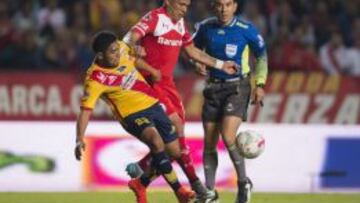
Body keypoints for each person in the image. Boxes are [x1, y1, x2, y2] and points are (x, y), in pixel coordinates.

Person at [122, 0, 238, 201]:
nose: (184, 9)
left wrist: (220, 65)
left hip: (168, 85)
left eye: (187, 6)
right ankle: (197, 186)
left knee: (176, 141)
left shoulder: (180, 23)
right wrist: (133, 47)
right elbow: (130, 36)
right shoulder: (155, 18)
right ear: (168, 2)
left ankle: (141, 179)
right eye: (181, 4)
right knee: (175, 128)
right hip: (149, 83)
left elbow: (192, 51)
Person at [74, 31, 196, 203]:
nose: (118, 54)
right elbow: (85, 111)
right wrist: (79, 138)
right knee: (156, 141)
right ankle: (179, 191)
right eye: (112, 52)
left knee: (174, 152)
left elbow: (134, 59)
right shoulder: (94, 79)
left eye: (117, 49)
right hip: (131, 115)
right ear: (100, 55)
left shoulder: (123, 48)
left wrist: (151, 69)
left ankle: (140, 183)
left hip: (152, 104)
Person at [192, 0, 268, 202]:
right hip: (212, 87)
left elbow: (261, 56)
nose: (223, 9)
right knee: (209, 142)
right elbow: (192, 49)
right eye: (219, 5)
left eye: (228, 4)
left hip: (238, 86)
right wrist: (197, 63)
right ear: (213, 7)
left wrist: (259, 84)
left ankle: (243, 182)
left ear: (235, 6)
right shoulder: (205, 28)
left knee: (227, 136)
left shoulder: (246, 29)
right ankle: (209, 192)